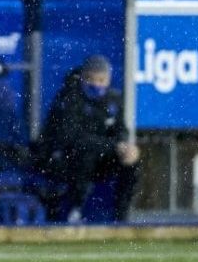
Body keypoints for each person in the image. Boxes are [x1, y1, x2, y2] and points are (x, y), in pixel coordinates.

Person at [35, 55, 140, 223]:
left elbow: (121, 130)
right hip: (62, 159)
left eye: (101, 80)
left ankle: (121, 217)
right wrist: (113, 146)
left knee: (130, 162)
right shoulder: (69, 98)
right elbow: (73, 139)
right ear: (83, 77)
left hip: (99, 159)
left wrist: (125, 147)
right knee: (85, 154)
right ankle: (74, 210)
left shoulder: (113, 99)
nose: (96, 85)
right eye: (91, 79)